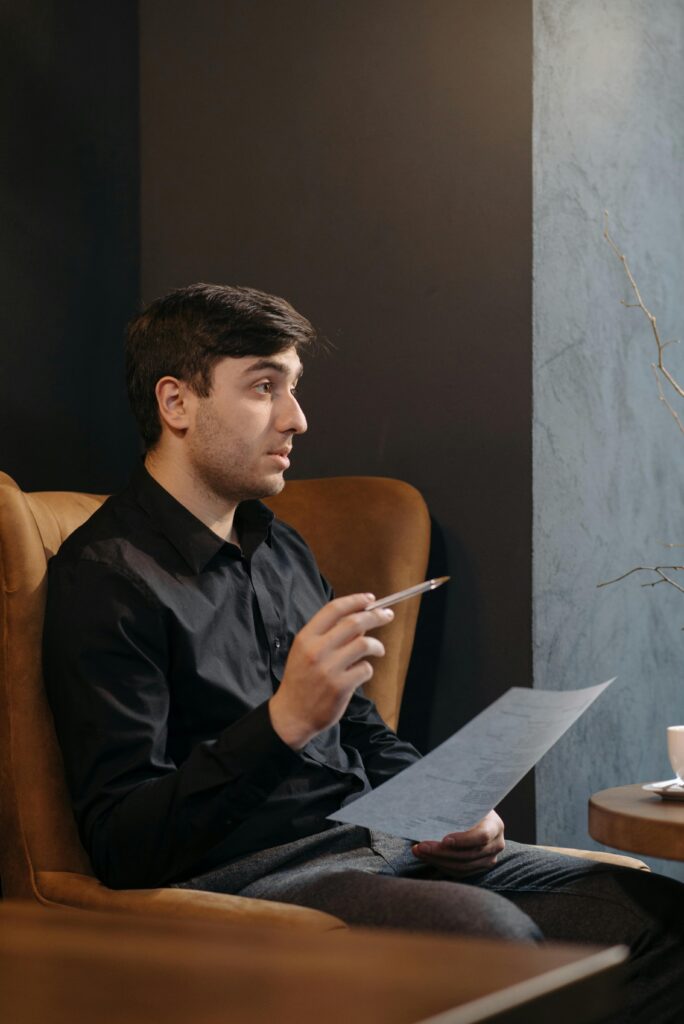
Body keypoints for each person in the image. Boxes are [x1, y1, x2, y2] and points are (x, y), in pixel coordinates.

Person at [44, 283, 683, 1022]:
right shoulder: (107, 576)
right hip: (255, 877)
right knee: (490, 940)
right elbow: (124, 846)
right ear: (176, 403)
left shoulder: (280, 547)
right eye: (264, 387)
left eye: (294, 387)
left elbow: (359, 727)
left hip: (382, 846)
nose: (297, 418)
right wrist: (283, 724)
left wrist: (449, 810)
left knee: (660, 916)